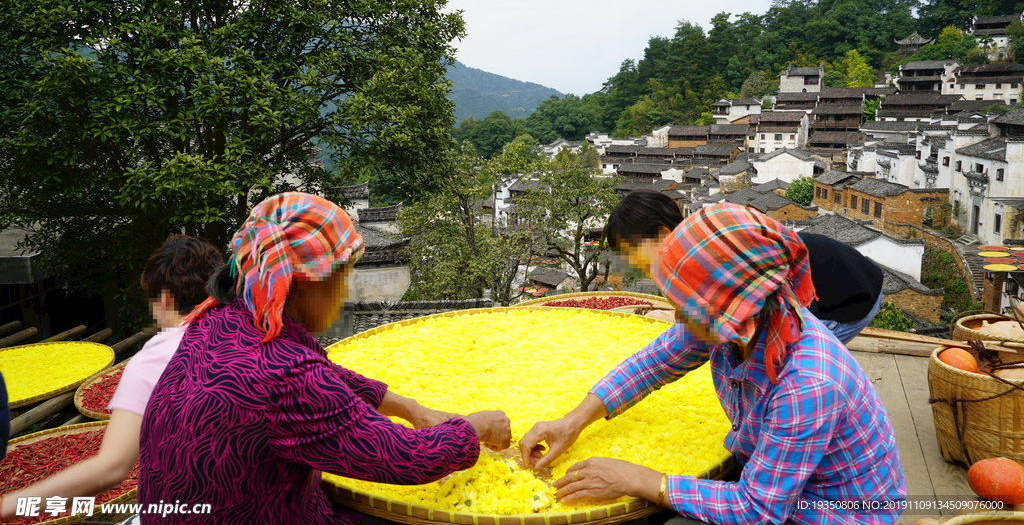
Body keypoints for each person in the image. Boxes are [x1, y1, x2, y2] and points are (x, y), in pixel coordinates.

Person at [520, 203, 906, 524]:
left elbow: (759, 509)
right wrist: (572, 422)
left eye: (684, 307)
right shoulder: (741, 321)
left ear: (728, 307)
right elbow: (649, 365)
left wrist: (642, 480)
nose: (677, 320)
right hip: (785, 481)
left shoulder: (808, 383)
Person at [137, 193, 511, 524]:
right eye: (342, 275)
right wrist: (477, 426)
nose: (345, 291)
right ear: (300, 283)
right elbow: (407, 457)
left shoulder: (218, 320)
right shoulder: (286, 376)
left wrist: (408, 407)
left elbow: (323, 373)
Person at [0, 235, 223, 520]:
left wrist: (8, 506)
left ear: (165, 298)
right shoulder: (258, 333)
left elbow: (112, 468)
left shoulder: (157, 358)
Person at [604, 190, 884, 344]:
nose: (630, 263)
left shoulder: (714, 259)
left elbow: (752, 331)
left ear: (662, 234)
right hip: (839, 278)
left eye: (631, 251)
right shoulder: (698, 250)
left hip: (852, 295)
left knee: (789, 356)